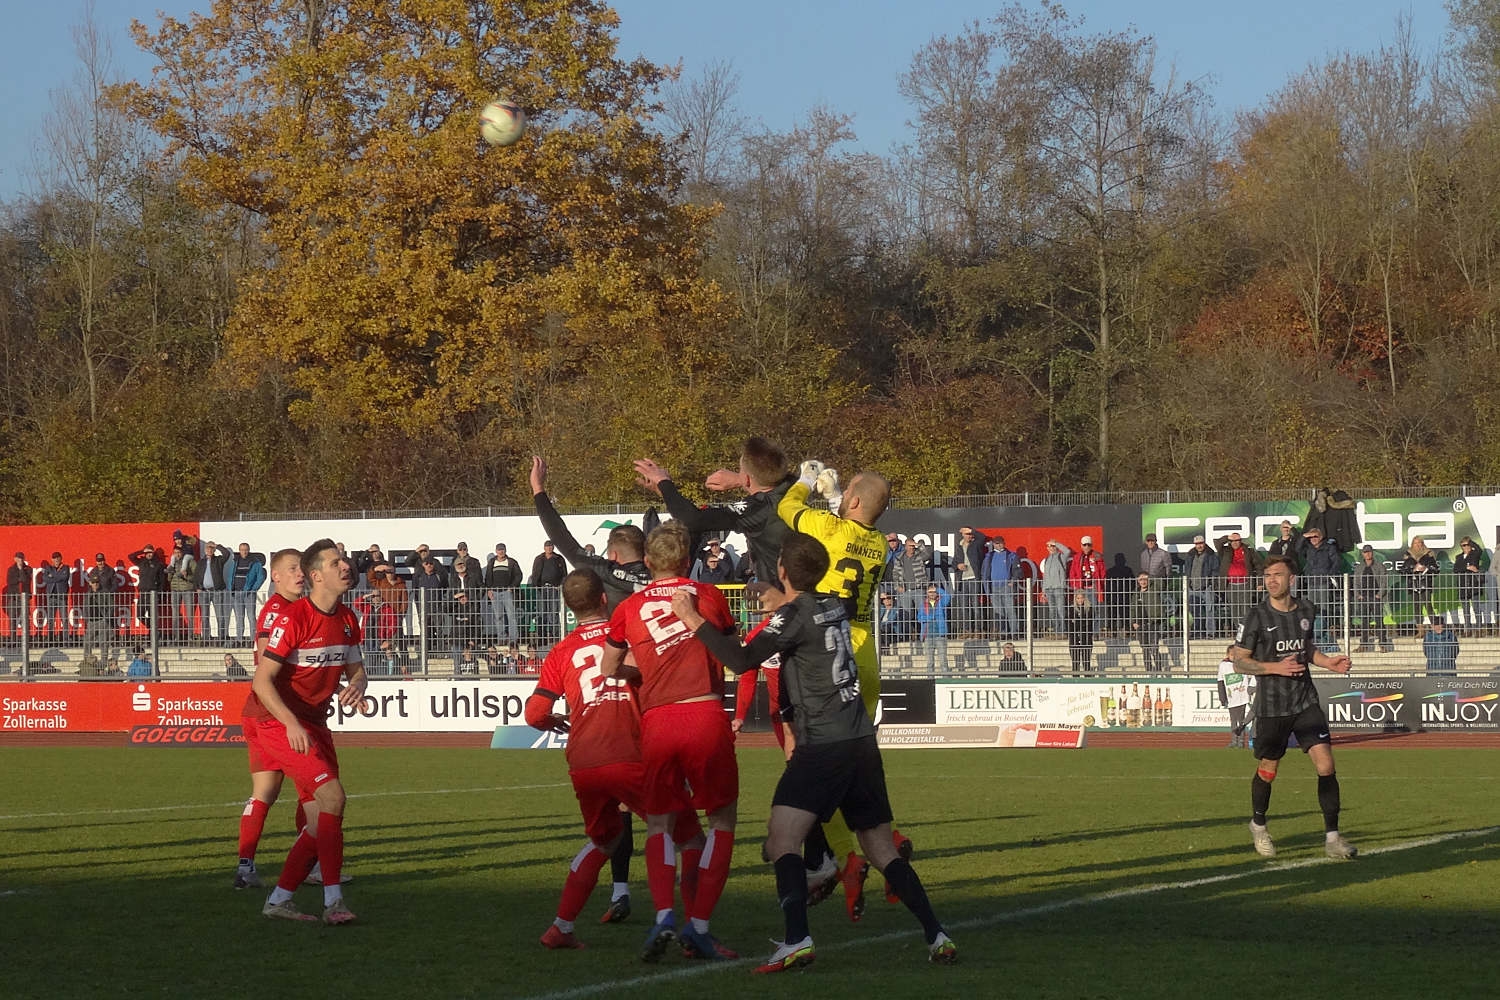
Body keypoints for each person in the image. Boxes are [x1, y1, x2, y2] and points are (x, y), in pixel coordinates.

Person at [672, 531, 958, 973]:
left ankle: (796, 940)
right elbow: (802, 613)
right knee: (881, 847)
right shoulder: (832, 605)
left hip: (823, 745)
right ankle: (937, 934)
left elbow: (742, 660)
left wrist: (693, 619)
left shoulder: (795, 615)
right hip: (860, 741)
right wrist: (780, 600)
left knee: (781, 840)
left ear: (783, 570)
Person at [524, 569, 704, 948]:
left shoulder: (560, 651)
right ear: (604, 599)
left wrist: (552, 720)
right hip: (630, 754)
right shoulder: (628, 635)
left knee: (604, 841)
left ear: (569, 607)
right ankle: (692, 933)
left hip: (584, 762)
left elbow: (534, 713)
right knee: (688, 837)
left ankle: (561, 927)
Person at [599, 521, 740, 962]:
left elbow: (608, 668)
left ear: (647, 561)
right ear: (686, 560)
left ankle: (663, 915)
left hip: (658, 721)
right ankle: (699, 926)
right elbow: (731, 651)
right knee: (721, 821)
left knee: (659, 824)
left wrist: (645, 671)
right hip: (703, 714)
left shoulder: (629, 606)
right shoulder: (709, 595)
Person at [778, 463, 913, 920]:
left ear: (852, 501)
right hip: (866, 651)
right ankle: (888, 840)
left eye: (848, 491)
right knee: (856, 758)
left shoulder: (828, 528)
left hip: (828, 649)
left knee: (821, 762)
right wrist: (840, 494)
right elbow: (855, 522)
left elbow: (787, 507)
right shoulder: (880, 544)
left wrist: (805, 479)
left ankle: (845, 857)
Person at [244, 539, 368, 924]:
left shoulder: (346, 618)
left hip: (313, 722)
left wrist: (358, 687)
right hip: (276, 721)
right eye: (336, 563)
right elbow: (262, 681)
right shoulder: (293, 618)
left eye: (344, 561)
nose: (345, 566)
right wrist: (291, 723)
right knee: (333, 797)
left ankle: (279, 900)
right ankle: (334, 902)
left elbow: (358, 670)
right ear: (316, 576)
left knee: (318, 820)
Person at [1230, 556, 1356, 861]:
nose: (1271, 580)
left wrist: (1328, 662)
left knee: (1326, 765)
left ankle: (1333, 838)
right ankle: (1259, 825)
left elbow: (1306, 648)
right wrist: (1276, 667)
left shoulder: (1306, 610)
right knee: (1268, 770)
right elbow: (1239, 661)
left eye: (1277, 574)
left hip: (1305, 702)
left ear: (1292, 579)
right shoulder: (1256, 616)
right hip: (1272, 707)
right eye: (1267, 575)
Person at [233, 548, 308, 890]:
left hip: (258, 710)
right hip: (273, 712)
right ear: (275, 576)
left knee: (265, 792)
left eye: (302, 568)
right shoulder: (278, 609)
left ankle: (245, 867)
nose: (300, 573)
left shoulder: (291, 608)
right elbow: (266, 659)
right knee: (315, 789)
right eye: (292, 568)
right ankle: (310, 865)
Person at [1215, 532, 1264, 637]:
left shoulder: (1249, 551)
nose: (1235, 543)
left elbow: (1259, 566)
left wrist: (1260, 582)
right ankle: (1239, 631)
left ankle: (1247, 631)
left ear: (1241, 541)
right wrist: (1227, 537)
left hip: (1245, 584)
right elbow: (1217, 543)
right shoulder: (1225, 551)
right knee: (1234, 609)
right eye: (1232, 541)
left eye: (1237, 540)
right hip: (1230, 584)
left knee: (1246, 608)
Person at [1351, 545, 1392, 653]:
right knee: (1364, 622)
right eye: (1365, 552)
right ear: (1362, 554)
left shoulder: (1380, 566)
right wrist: (1358, 595)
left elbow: (1384, 582)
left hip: (1375, 597)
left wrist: (1379, 595)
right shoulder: (1359, 567)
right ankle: (1363, 645)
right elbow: (1356, 582)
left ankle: (1383, 644)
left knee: (1379, 621)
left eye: (1369, 552)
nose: (1367, 554)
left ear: (1372, 553)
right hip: (1363, 598)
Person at [225, 544, 268, 642]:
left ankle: (253, 639)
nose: (244, 552)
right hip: (237, 593)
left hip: (249, 594)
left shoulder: (255, 563)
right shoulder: (235, 562)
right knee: (239, 618)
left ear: (249, 550)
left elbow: (261, 577)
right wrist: (231, 589)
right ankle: (239, 640)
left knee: (251, 617)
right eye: (242, 550)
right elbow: (230, 577)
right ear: (239, 550)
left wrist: (253, 589)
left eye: (246, 550)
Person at [483, 543, 525, 643]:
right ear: (496, 551)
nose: (501, 552)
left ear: (505, 550)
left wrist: (511, 588)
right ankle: (501, 638)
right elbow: (488, 577)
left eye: (502, 549)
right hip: (495, 593)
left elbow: (518, 575)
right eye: (499, 550)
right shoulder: (492, 562)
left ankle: (513, 639)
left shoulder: (511, 562)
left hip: (507, 592)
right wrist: (488, 590)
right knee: (498, 617)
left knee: (511, 616)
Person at [1129, 573, 1168, 675]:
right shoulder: (1136, 593)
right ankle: (1148, 670)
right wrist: (1133, 622)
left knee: (1154, 647)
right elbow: (1132, 608)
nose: (1143, 581)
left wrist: (1151, 576)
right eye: (1141, 579)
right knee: (1145, 648)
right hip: (1140, 624)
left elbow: (1161, 583)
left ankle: (1158, 670)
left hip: (1153, 622)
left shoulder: (1154, 589)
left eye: (1145, 579)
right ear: (1138, 581)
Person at [1181, 535, 1219, 638]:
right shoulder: (1190, 555)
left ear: (1204, 543)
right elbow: (1187, 570)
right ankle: (1196, 631)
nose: (1199, 546)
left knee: (1210, 610)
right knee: (1194, 611)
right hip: (1193, 587)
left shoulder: (1211, 555)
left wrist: (1210, 582)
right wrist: (1188, 583)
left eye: (1201, 543)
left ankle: (1210, 632)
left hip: (1207, 587)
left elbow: (1215, 570)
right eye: (1197, 544)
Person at [1216, 645, 1253, 749]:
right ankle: (1234, 741)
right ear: (1228, 655)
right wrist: (1222, 698)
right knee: (1233, 721)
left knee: (1241, 720)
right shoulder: (1223, 665)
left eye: (1235, 654)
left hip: (1242, 697)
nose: (1234, 656)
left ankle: (1241, 741)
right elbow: (1220, 681)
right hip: (1231, 698)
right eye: (1232, 654)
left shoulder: (1242, 663)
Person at [1453, 536, 1489, 633]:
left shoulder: (1475, 554)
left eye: (1467, 545)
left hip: (1473, 584)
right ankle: (1468, 630)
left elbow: (1479, 550)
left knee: (1476, 608)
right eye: (1463, 545)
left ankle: (1478, 629)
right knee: (1466, 610)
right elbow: (1456, 569)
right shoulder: (1459, 557)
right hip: (1463, 585)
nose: (1465, 547)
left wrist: (1470, 542)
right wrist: (1467, 567)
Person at [1402, 536, 1439, 627]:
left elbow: (1435, 570)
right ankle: (1420, 629)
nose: (1418, 545)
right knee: (1416, 607)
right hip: (1413, 585)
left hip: (1425, 584)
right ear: (1412, 544)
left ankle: (1435, 627)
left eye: (1419, 542)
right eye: (1415, 543)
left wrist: (1426, 569)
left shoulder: (1428, 555)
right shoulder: (1408, 556)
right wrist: (1412, 569)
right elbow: (1403, 570)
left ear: (1422, 544)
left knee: (1428, 606)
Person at [916, 583, 951, 676]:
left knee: (943, 660)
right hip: (928, 635)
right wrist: (930, 617)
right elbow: (919, 618)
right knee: (930, 661)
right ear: (927, 593)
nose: (932, 594)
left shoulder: (941, 602)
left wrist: (938, 589)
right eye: (930, 592)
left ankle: (946, 678)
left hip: (940, 634)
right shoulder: (923, 605)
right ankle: (930, 679)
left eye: (934, 592)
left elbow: (947, 596)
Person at [1039, 540, 1071, 636]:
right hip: (1049, 589)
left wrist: (1056, 543)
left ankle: (1063, 631)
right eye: (1049, 546)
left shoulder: (1061, 557)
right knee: (1052, 611)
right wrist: (1044, 590)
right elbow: (1045, 576)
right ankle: (1057, 630)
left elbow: (1067, 551)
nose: (1051, 548)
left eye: (1052, 546)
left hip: (1059, 588)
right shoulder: (1047, 559)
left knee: (1061, 610)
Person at [1066, 590, 1094, 677]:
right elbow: (1069, 624)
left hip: (1086, 637)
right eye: (1078, 598)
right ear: (1075, 599)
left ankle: (1087, 678)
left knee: (1086, 661)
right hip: (1074, 637)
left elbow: (1089, 623)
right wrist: (1078, 622)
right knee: (1075, 661)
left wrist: (1076, 621)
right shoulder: (1071, 609)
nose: (1080, 600)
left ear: (1085, 598)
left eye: (1082, 598)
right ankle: (1075, 679)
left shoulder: (1089, 609)